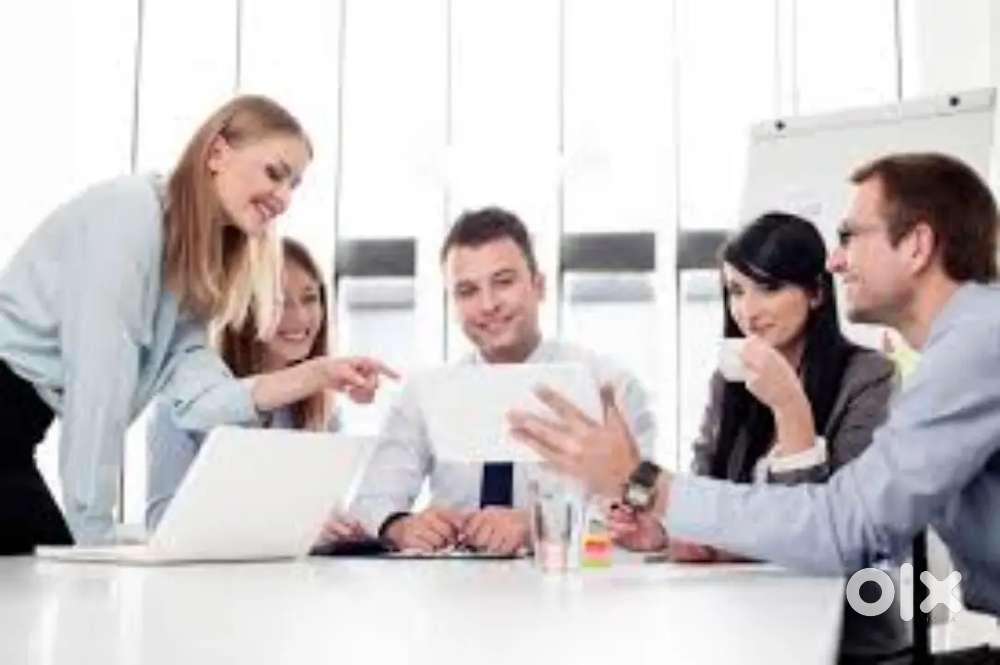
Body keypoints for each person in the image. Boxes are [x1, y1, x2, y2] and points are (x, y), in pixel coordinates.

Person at [510, 153, 1000, 660]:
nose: (836, 261)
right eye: (735, 292)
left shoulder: (975, 343)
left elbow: (847, 530)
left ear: (917, 245)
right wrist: (666, 527)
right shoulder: (969, 341)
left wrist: (644, 481)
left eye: (850, 236)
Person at [0, 95, 392, 552]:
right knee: (46, 573)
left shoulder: (190, 274)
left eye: (294, 185)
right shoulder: (129, 214)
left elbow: (201, 403)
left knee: (37, 573)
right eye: (275, 173)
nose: (285, 198)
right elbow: (98, 383)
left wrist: (319, 374)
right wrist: (95, 541)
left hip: (14, 434)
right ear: (217, 153)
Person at [606, 211, 907, 660]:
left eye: (768, 288)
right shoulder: (730, 379)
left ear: (815, 292)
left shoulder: (870, 378)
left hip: (850, 637)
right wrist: (667, 533)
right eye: (736, 291)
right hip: (744, 620)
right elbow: (710, 496)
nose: (748, 311)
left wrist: (790, 408)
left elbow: (828, 539)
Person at [346, 207, 657, 555]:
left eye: (503, 282)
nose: (488, 304)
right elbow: (369, 504)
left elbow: (643, 508)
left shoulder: (610, 385)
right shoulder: (425, 393)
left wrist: (539, 524)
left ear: (539, 286)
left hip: (568, 578)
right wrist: (400, 526)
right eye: (467, 291)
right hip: (451, 579)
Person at [147, 237, 368, 543]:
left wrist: (338, 527)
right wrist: (288, 522)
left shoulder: (322, 409)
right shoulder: (184, 400)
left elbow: (322, 511)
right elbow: (161, 523)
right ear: (244, 308)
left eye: (309, 298)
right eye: (279, 302)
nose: (301, 318)